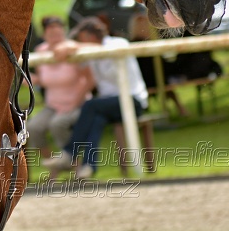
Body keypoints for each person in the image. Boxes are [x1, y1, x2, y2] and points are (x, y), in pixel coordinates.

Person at [46, 16, 148, 178]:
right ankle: (88, 167)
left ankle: (69, 153)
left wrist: (72, 45)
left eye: (80, 38)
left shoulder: (118, 43)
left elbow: (98, 49)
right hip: (110, 106)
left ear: (88, 36)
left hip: (133, 101)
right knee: (95, 120)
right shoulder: (88, 52)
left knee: (90, 106)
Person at [27, 17, 94, 158]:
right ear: (44, 35)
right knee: (33, 128)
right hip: (53, 105)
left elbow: (89, 79)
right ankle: (53, 164)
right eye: (52, 35)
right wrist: (25, 79)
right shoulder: (40, 51)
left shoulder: (73, 48)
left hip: (76, 103)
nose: (56, 38)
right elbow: (45, 81)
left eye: (58, 34)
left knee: (57, 125)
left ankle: (72, 161)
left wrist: (74, 103)